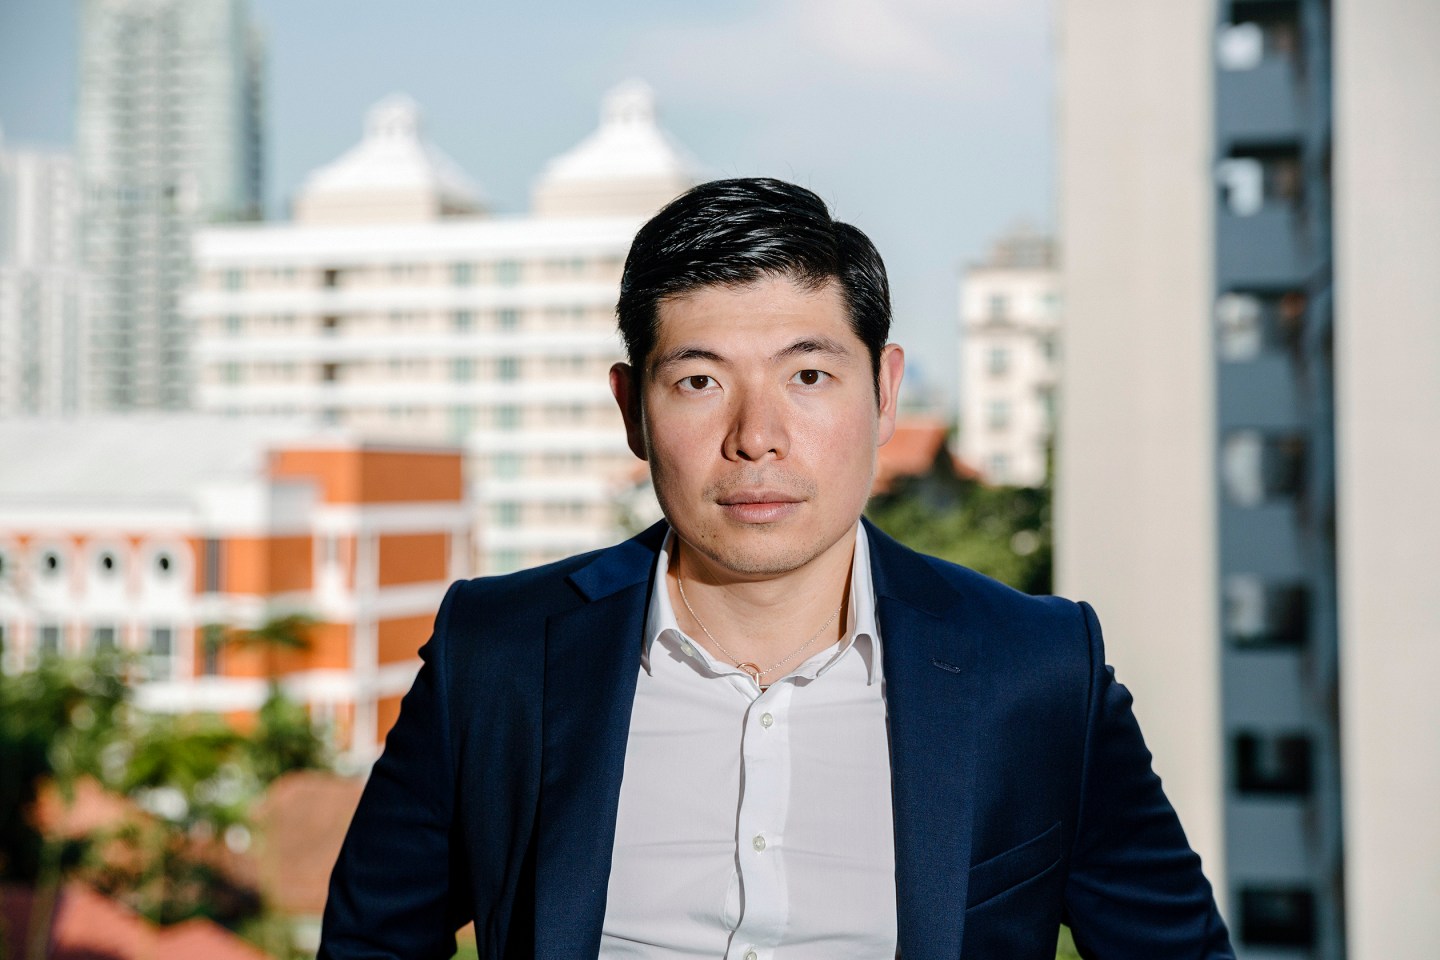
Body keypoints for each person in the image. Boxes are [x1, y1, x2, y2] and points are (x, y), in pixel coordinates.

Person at [319, 178, 1234, 960]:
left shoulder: (1034, 669)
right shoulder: (499, 654)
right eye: (700, 381)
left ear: (883, 390)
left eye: (808, 377)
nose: (756, 438)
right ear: (633, 409)